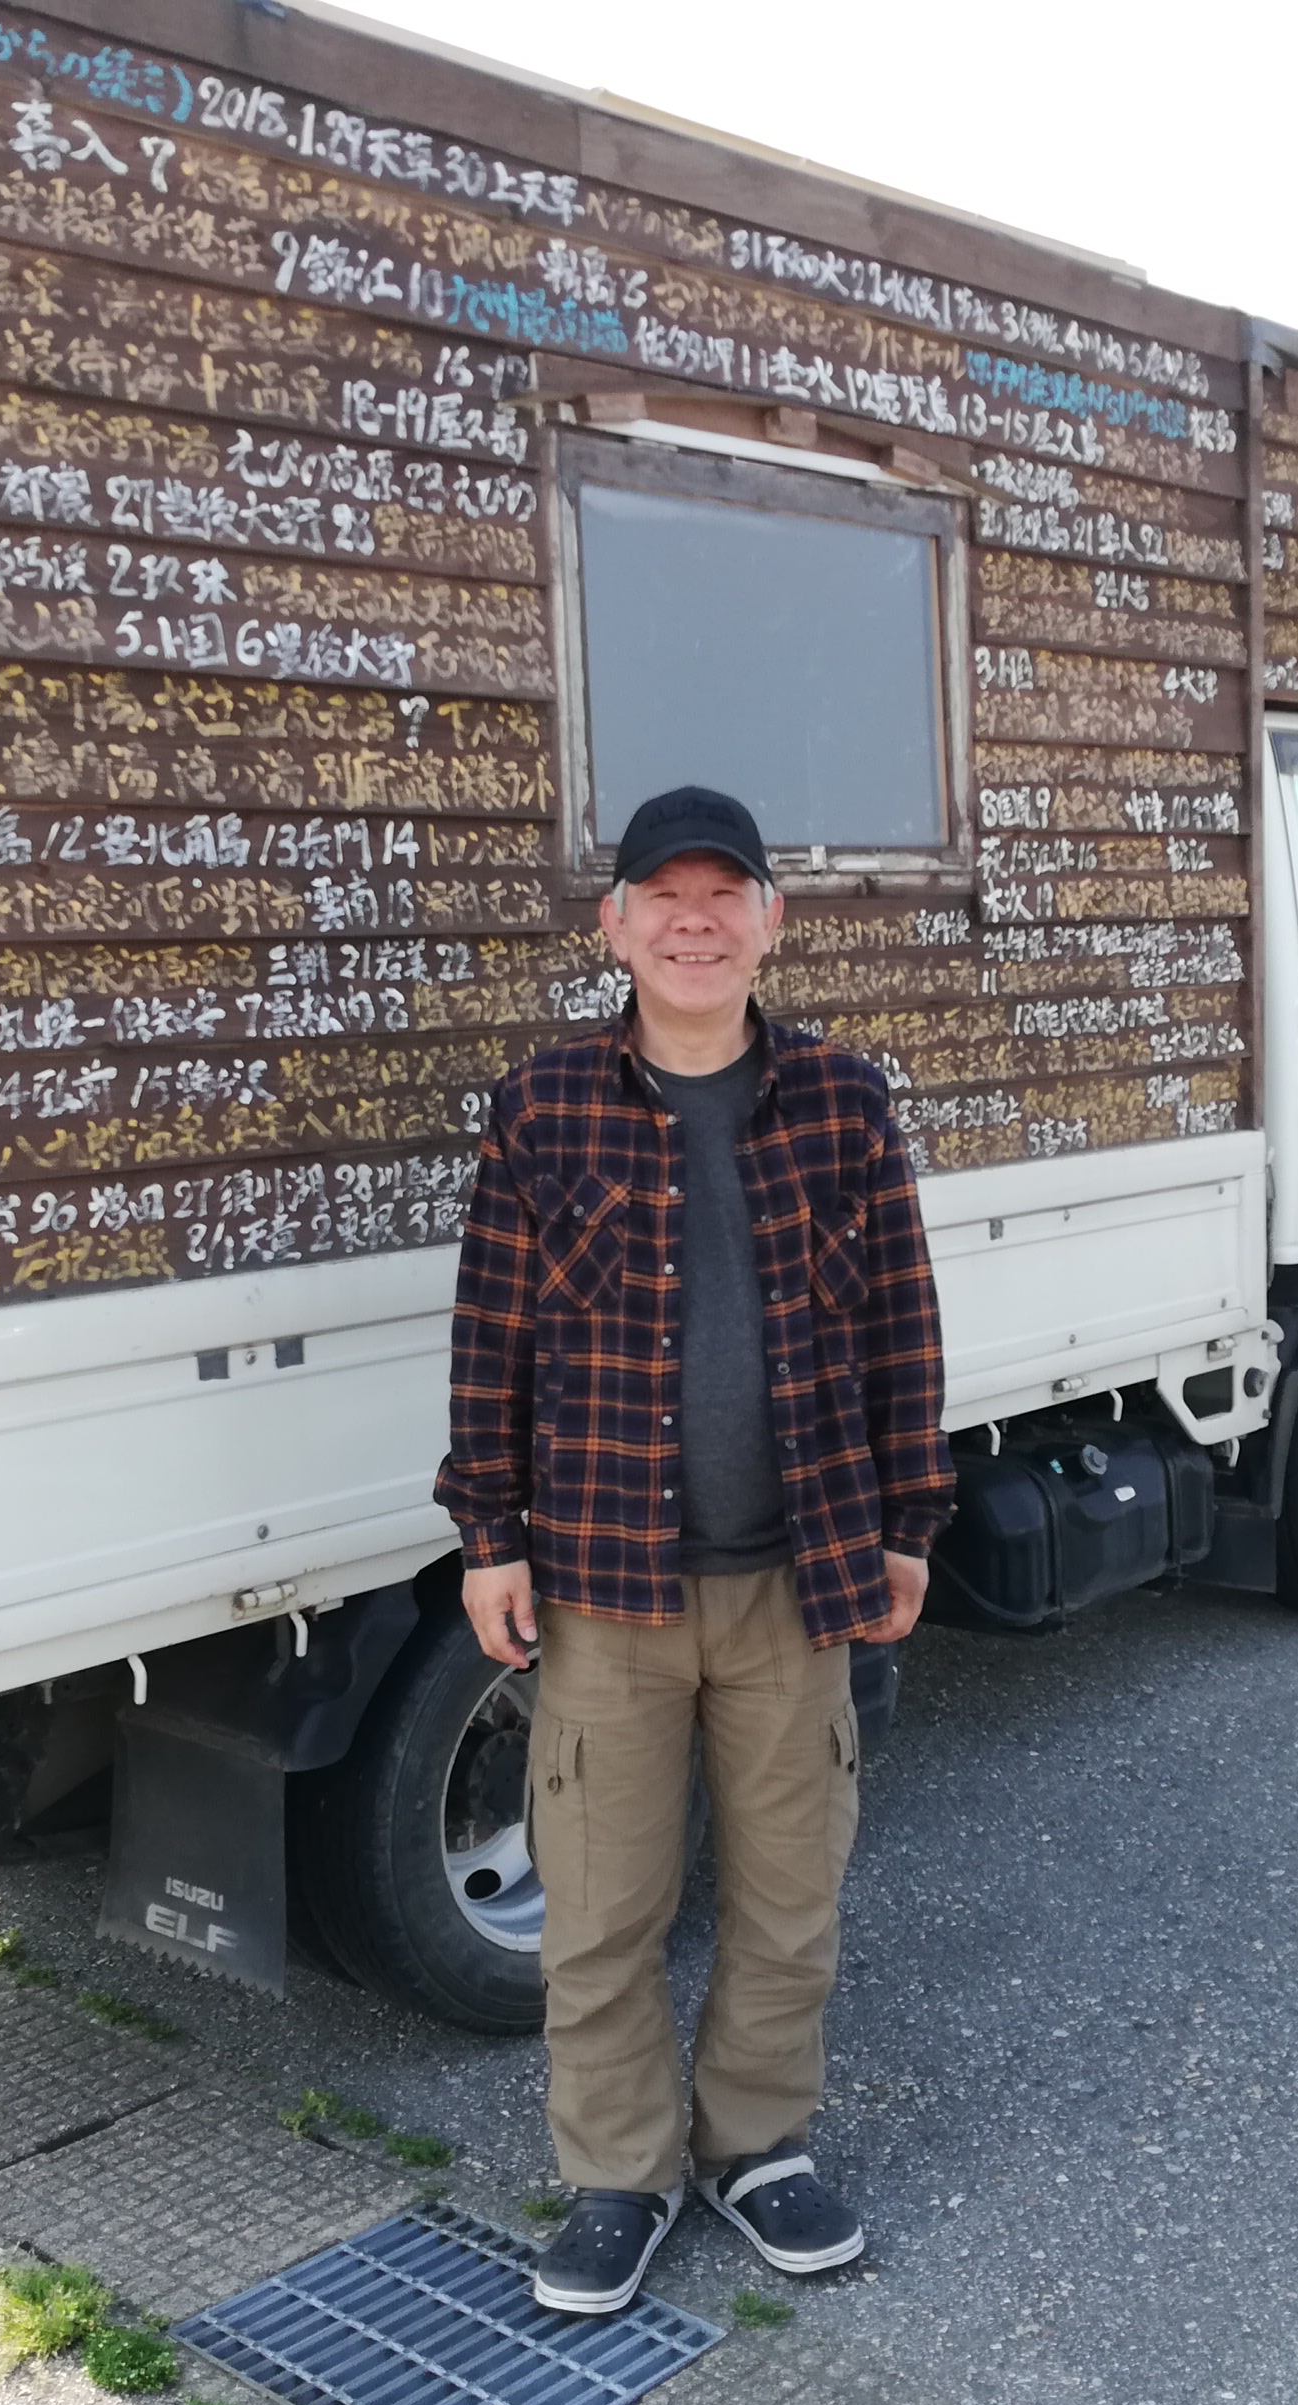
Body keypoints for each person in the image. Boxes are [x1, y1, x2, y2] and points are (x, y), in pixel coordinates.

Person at [433, 785, 953, 2317]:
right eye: (664, 894)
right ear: (615, 924)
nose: (695, 920)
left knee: (793, 1897)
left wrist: (911, 1520)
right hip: (605, 1589)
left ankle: (758, 2149)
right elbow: (493, 1339)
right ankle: (618, 2177)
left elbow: (898, 1331)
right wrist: (488, 1537)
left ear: (769, 924)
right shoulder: (544, 1108)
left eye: (726, 894)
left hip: (799, 1584)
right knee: (598, 1911)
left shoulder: (847, 1103)